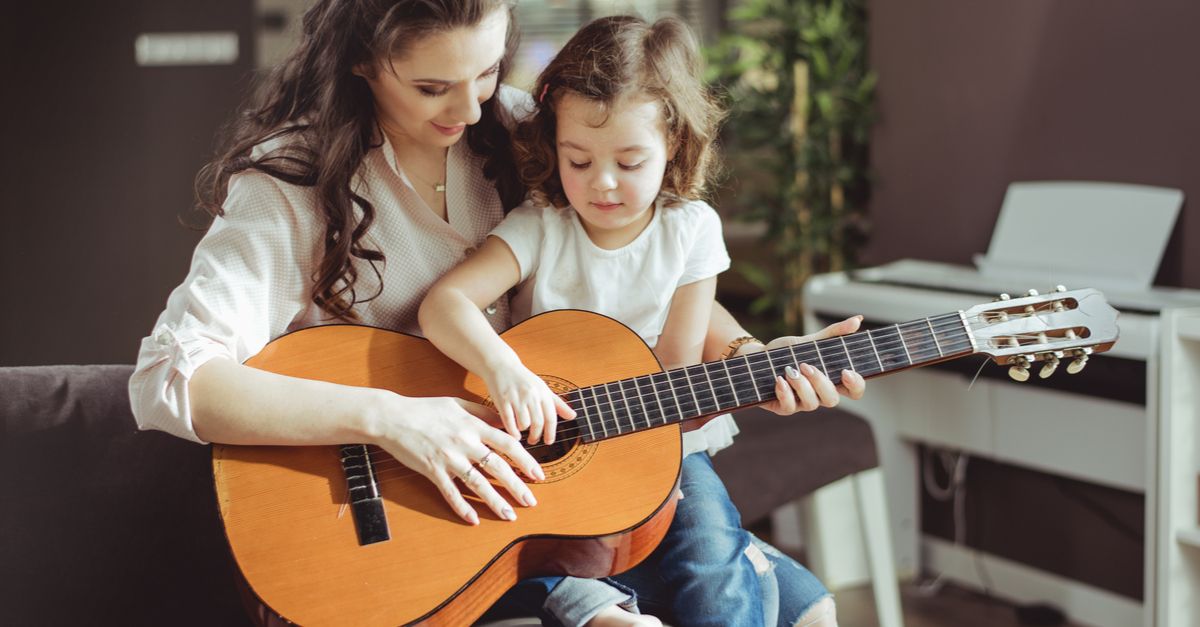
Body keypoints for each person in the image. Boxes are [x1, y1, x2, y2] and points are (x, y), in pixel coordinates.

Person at [127, 1, 863, 626]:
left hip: (564, 489)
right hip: (402, 519)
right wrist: (396, 419)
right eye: (431, 85)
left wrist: (745, 355)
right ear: (359, 61)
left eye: (486, 71)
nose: (472, 106)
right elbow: (172, 378)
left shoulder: (532, 134)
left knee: (811, 612)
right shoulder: (290, 186)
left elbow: (650, 273)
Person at [419, 15, 854, 627]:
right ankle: (583, 598)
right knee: (526, 539)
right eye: (578, 159)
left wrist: (762, 377)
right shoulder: (541, 225)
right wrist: (503, 371)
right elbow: (444, 305)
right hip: (544, 454)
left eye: (629, 162)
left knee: (714, 562)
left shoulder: (692, 232)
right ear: (554, 147)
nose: (601, 184)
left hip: (663, 445)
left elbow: (676, 379)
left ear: (673, 144)